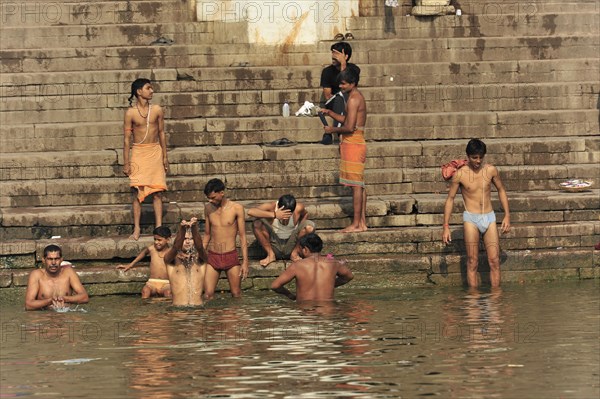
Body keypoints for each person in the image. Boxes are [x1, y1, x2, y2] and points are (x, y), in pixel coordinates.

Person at [442, 138, 511, 288]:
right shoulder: (460, 174)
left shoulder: (491, 170)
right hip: (471, 219)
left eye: (480, 157)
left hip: (489, 217)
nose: (478, 161)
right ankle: (473, 302)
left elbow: (501, 189)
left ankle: (495, 299)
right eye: (474, 157)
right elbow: (450, 199)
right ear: (468, 156)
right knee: (472, 261)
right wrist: (446, 226)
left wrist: (507, 215)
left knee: (494, 260)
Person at [322, 68, 368, 233]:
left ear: (352, 83)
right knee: (358, 185)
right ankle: (362, 223)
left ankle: (356, 224)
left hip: (354, 143)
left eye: (343, 84)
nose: (340, 87)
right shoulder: (353, 97)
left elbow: (349, 127)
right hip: (352, 143)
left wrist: (331, 130)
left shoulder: (354, 99)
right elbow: (347, 119)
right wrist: (330, 112)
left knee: (356, 185)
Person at [123, 78, 168, 240]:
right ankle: (136, 229)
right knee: (136, 192)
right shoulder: (130, 113)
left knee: (157, 193)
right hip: (138, 153)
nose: (152, 91)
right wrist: (126, 162)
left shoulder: (156, 110)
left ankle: (158, 228)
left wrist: (165, 156)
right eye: (148, 88)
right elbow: (127, 139)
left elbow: (162, 133)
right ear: (139, 91)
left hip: (154, 151)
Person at [271, 233, 354, 301]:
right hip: (327, 311)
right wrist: (330, 284)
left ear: (305, 249)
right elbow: (349, 276)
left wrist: (290, 295)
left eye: (299, 249)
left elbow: (275, 285)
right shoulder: (333, 263)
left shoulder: (297, 265)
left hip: (305, 311)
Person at [202, 178, 249, 299]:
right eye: (208, 198)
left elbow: (243, 236)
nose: (210, 200)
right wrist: (199, 256)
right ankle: (211, 317)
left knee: (236, 294)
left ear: (221, 193)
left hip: (231, 256)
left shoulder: (236, 208)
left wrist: (245, 262)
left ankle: (237, 318)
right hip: (213, 256)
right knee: (207, 295)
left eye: (212, 197)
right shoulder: (208, 208)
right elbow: (207, 235)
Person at [248, 194, 315, 267]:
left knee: (309, 227)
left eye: (288, 214)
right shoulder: (272, 207)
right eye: (284, 213)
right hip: (274, 243)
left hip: (291, 244)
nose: (285, 216)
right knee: (257, 223)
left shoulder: (298, 208)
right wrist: (274, 214)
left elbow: (305, 214)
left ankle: (295, 253)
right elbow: (250, 212)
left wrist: (300, 230)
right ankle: (270, 255)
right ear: (278, 207)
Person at [319, 41, 360, 145]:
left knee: (345, 97)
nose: (333, 56)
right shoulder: (327, 71)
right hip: (333, 102)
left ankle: (335, 132)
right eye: (332, 53)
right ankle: (340, 134)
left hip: (349, 101)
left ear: (345, 56)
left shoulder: (354, 69)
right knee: (339, 98)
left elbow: (350, 88)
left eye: (336, 54)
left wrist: (343, 64)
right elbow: (328, 95)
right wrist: (340, 97)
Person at [25, 245, 89, 310]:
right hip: (45, 317)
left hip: (66, 316)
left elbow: (84, 297)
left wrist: (65, 298)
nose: (53, 263)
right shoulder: (36, 275)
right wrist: (49, 301)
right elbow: (29, 305)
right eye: (50, 259)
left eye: (56, 259)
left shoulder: (68, 272)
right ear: (43, 260)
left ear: (61, 259)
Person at [117, 226, 173, 298]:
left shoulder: (171, 252)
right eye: (155, 239)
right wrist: (131, 264)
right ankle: (145, 307)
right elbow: (143, 253)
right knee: (145, 291)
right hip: (152, 282)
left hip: (166, 283)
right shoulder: (152, 249)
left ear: (168, 239)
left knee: (168, 293)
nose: (156, 242)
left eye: (159, 240)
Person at [164, 218, 207, 306]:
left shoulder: (200, 260)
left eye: (191, 239)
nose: (188, 242)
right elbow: (175, 248)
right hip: (178, 311)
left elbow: (200, 247)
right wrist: (182, 230)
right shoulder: (171, 261)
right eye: (185, 239)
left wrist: (194, 228)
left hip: (198, 310)